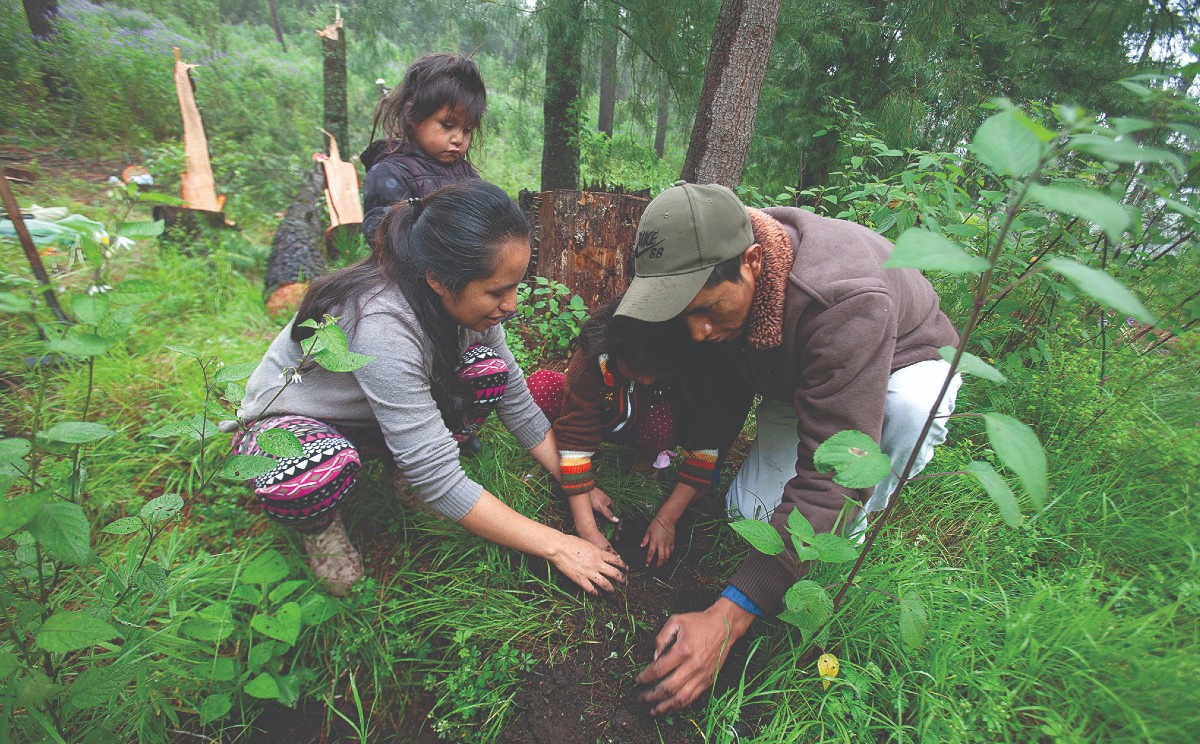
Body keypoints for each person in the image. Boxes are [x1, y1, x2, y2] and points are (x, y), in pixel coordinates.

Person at [617, 182, 962, 714]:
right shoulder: (715, 284)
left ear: (754, 261)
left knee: (891, 433)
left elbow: (836, 470)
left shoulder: (842, 299)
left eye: (707, 308)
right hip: (797, 374)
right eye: (683, 312)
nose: (699, 331)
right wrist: (672, 508)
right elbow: (721, 403)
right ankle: (819, 527)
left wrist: (728, 617)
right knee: (749, 512)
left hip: (898, 364)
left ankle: (861, 523)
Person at [236, 181, 626, 598]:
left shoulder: (464, 309)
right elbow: (439, 477)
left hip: (370, 417)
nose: (511, 305)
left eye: (515, 286)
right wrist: (559, 546)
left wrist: (575, 484)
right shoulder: (382, 322)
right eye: (496, 291)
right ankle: (318, 525)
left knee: (487, 371)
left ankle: (400, 473)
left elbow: (516, 399)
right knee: (313, 469)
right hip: (293, 423)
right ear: (439, 280)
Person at [526, 299, 752, 567]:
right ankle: (551, 458)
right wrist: (587, 530)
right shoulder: (593, 359)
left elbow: (705, 446)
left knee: (661, 421)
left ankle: (646, 470)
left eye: (655, 376)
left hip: (647, 426)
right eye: (635, 371)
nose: (645, 380)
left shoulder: (693, 370)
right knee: (540, 387)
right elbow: (575, 437)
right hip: (605, 419)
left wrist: (666, 519)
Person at [360, 52, 485, 248]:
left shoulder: (466, 174)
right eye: (447, 125)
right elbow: (386, 239)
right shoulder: (389, 173)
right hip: (407, 278)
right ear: (414, 117)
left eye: (467, 130)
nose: (458, 139)